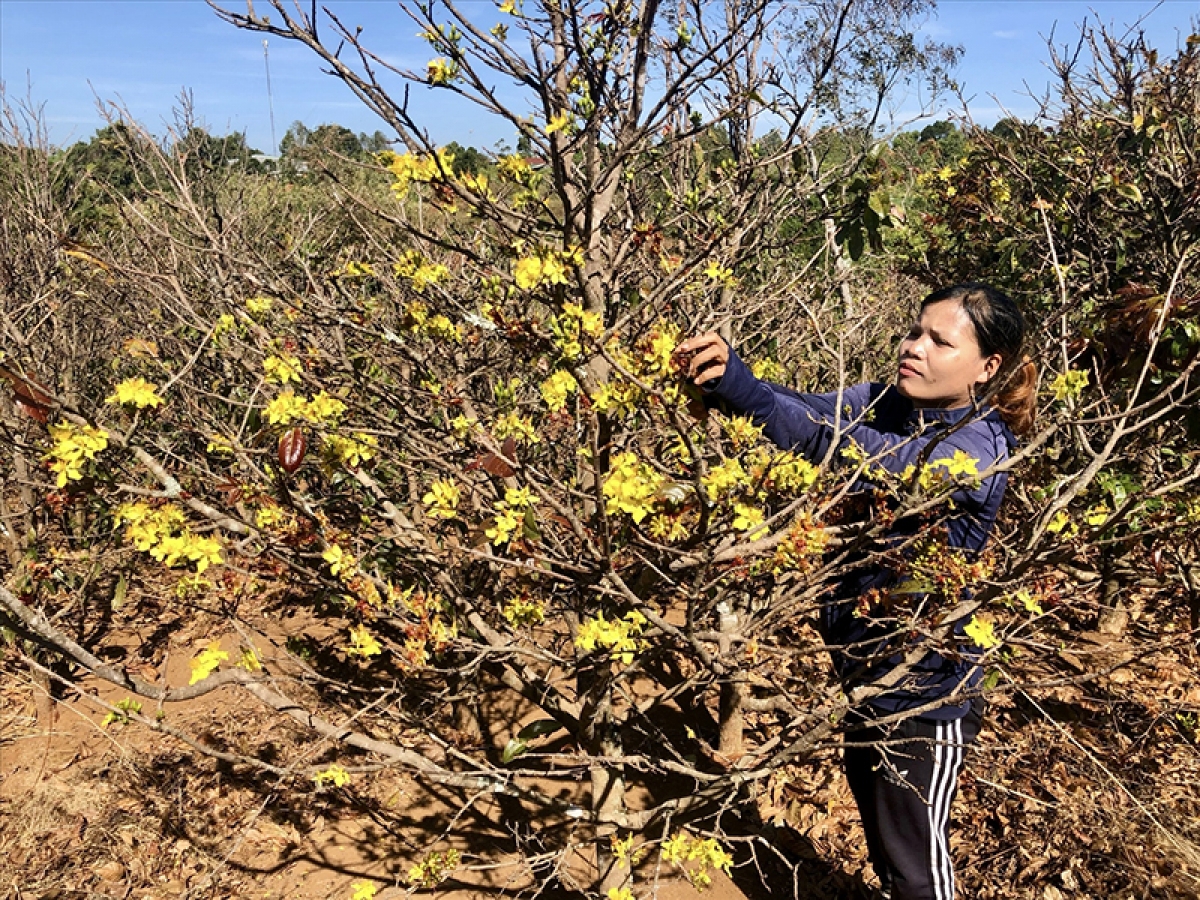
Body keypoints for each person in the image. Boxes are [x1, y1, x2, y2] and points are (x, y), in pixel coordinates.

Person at [675, 283, 1037, 900]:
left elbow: (842, 449)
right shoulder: (887, 401)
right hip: (868, 672)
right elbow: (809, 411)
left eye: (939, 341)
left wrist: (746, 391)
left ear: (988, 367)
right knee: (889, 854)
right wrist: (728, 379)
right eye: (915, 331)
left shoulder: (977, 451)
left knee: (916, 871)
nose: (914, 348)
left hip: (925, 695)